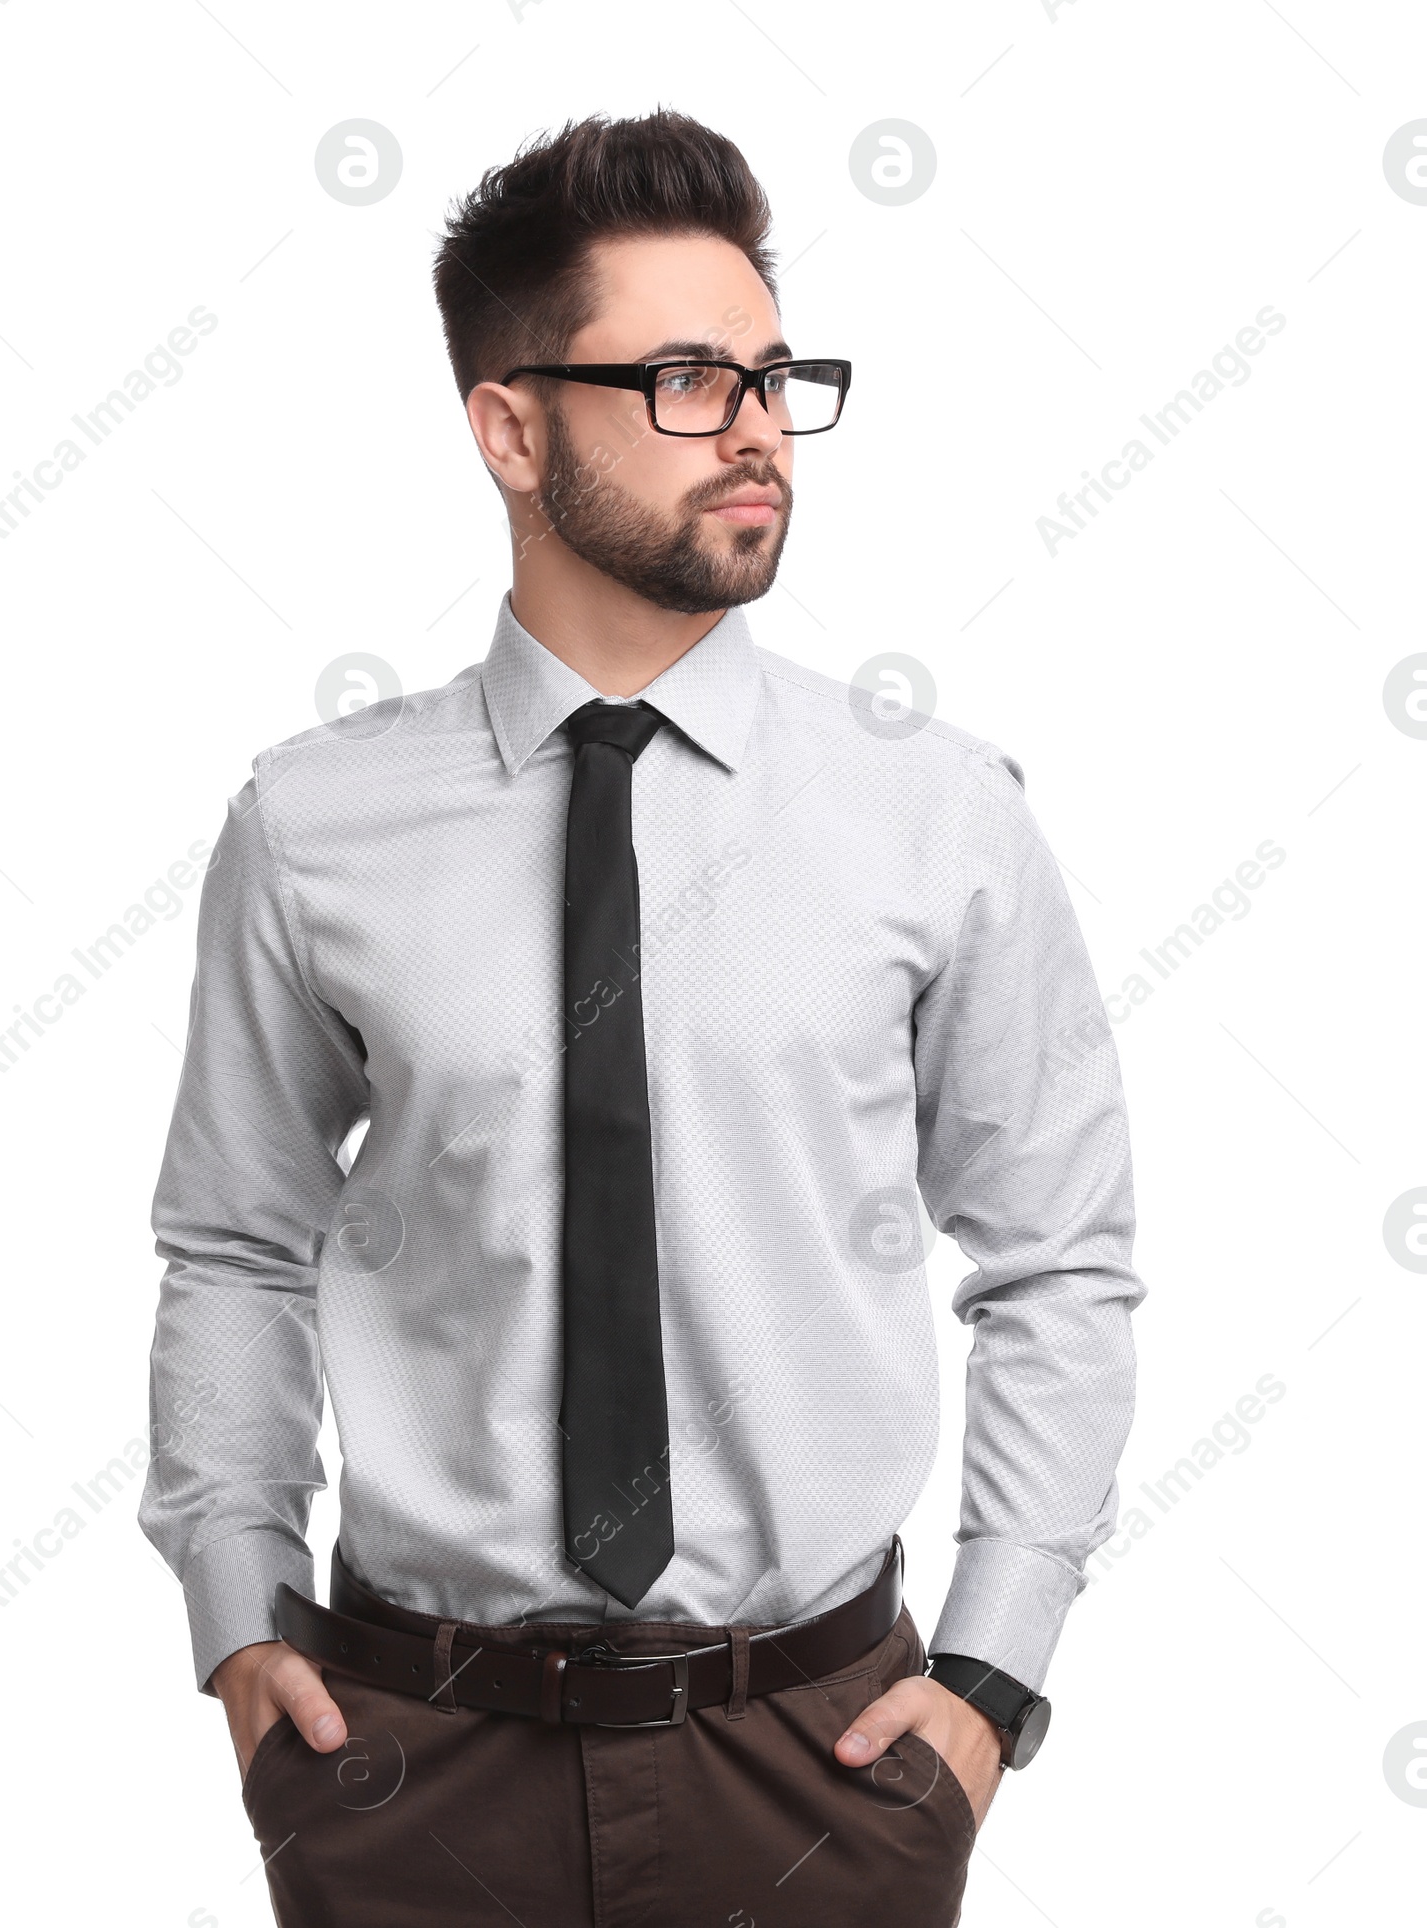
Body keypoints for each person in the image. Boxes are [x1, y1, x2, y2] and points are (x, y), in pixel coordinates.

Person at [139, 109, 1144, 1927]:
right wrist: (235, 1613)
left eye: (774, 373)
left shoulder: (937, 811)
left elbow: (1060, 1258)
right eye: (685, 377)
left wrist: (990, 1680)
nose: (757, 424)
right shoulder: (312, 823)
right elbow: (233, 1240)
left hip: (830, 1763)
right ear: (509, 427)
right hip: (409, 1759)